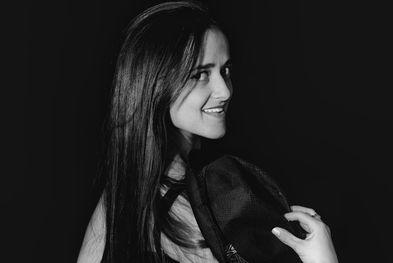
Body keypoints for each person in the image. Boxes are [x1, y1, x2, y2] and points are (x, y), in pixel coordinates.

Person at [77, 1, 339, 263]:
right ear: (155, 84)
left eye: (225, 70)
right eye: (200, 74)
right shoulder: (124, 203)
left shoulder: (128, 197)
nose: (225, 91)